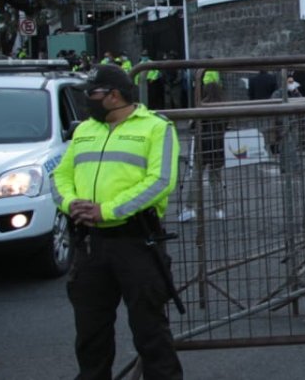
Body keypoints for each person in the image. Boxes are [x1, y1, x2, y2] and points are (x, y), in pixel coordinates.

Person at [50, 65, 183, 380]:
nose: (88, 100)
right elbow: (60, 175)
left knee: (150, 332)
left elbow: (160, 181)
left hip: (136, 243)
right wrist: (71, 203)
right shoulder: (85, 130)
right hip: (90, 244)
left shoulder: (156, 128)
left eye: (92, 94)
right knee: (90, 334)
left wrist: (106, 210)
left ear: (114, 96)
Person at [180, 66, 227, 222]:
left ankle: (189, 208)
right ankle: (219, 210)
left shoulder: (201, 106)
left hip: (202, 145)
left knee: (197, 177)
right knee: (216, 178)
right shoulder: (223, 107)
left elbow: (191, 125)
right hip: (218, 145)